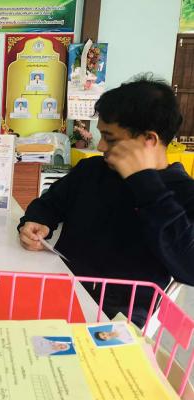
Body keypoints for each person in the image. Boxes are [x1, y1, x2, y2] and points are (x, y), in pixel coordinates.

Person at [18, 75, 194, 326]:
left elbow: (188, 266)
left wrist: (143, 180)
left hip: (120, 318)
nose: (100, 146)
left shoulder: (183, 192)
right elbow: (49, 203)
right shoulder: (92, 170)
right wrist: (37, 221)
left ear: (150, 140)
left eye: (110, 138)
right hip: (61, 290)